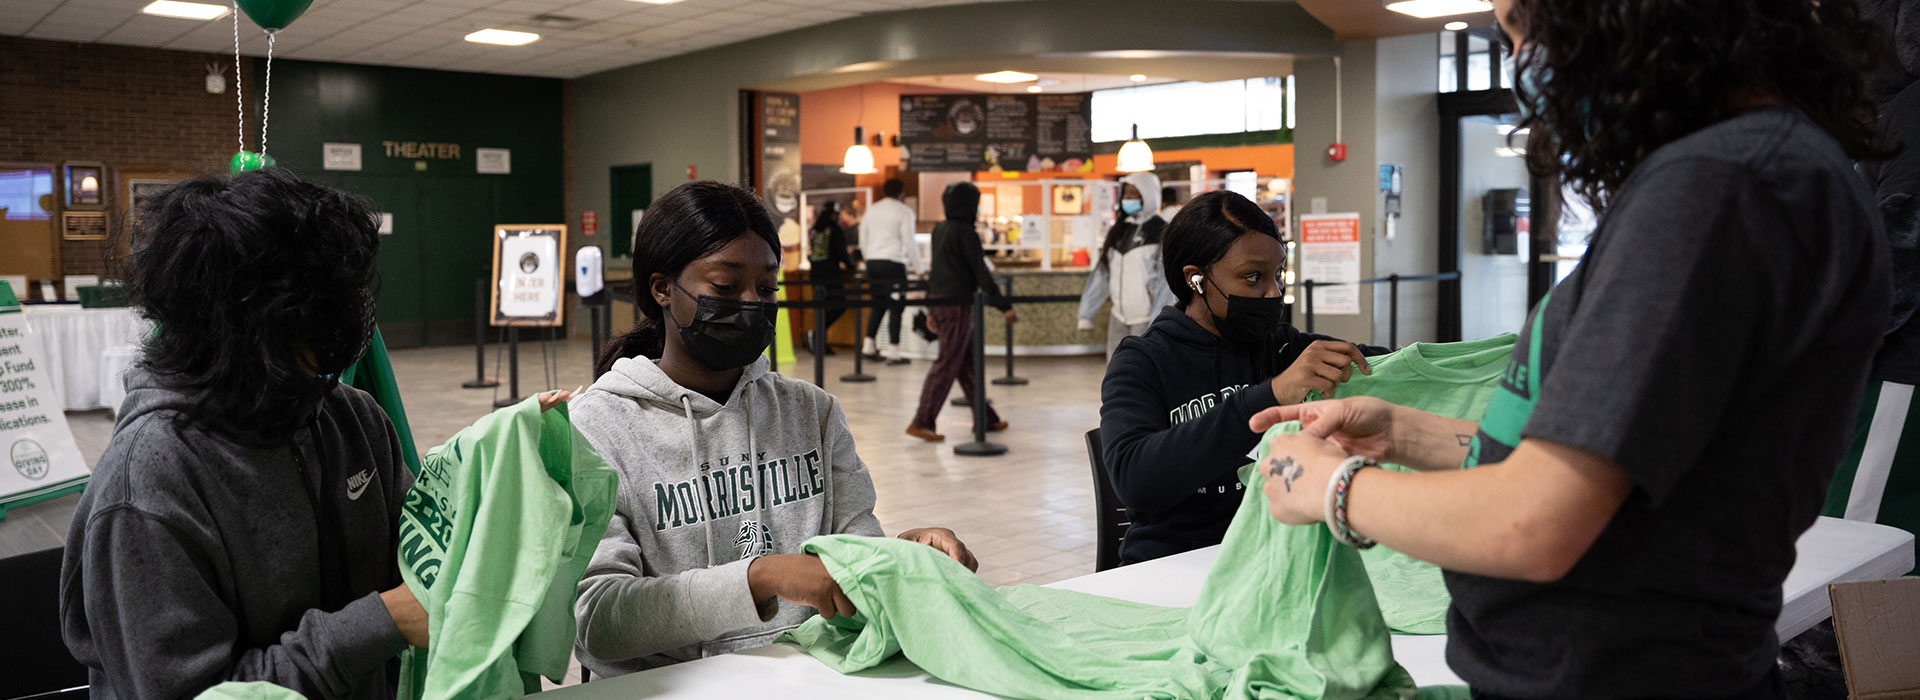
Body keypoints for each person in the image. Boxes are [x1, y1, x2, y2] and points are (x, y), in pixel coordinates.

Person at [1253, 1, 1891, 697]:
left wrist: (1328, 487)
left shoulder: (1719, 187)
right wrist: (1403, 431)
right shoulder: (1753, 172)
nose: (1518, 52)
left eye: (1519, 22)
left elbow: (1534, 522)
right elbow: (1619, 462)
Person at [572, 181, 977, 677]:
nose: (751, 304)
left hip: (810, 676)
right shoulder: (596, 429)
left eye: (767, 289)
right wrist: (760, 578)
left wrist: (902, 555)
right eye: (725, 287)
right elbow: (599, 620)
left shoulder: (813, 412)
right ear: (662, 289)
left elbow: (853, 553)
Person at [59, 169, 431, 699]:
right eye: (326, 301)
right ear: (261, 322)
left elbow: (425, 557)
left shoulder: (352, 418)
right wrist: (378, 626)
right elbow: (193, 693)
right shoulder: (148, 486)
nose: (350, 317)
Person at [1098, 189, 1387, 564]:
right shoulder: (1142, 361)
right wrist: (1272, 395)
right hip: (1171, 565)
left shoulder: (1284, 348)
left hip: (1271, 559)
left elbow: (1387, 366)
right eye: (1253, 277)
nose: (1274, 292)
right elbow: (1136, 480)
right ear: (1195, 279)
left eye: (1278, 275)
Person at [907, 182, 1015, 442]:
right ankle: (922, 421)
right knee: (947, 363)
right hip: (957, 305)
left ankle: (986, 418)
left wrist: (931, 309)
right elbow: (981, 272)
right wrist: (1004, 305)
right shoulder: (965, 232)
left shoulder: (939, 230)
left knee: (967, 365)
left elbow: (937, 272)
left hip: (943, 302)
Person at [1078, 171, 1178, 359]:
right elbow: (1103, 273)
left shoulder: (1162, 231)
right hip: (1118, 316)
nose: (1128, 198)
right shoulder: (1119, 230)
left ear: (1148, 194)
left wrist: (1159, 318)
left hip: (1147, 318)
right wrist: (1086, 311)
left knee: (1143, 370)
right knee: (1115, 368)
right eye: (1125, 193)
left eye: (1133, 193)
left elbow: (1166, 282)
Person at [859, 178, 922, 365]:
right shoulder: (904, 212)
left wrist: (868, 258)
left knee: (878, 304)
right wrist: (919, 269)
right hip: (893, 264)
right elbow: (909, 242)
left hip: (873, 263)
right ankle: (893, 352)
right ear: (901, 193)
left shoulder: (872, 210)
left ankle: (868, 347)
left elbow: (863, 238)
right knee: (896, 306)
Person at [804, 200, 854, 356]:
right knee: (840, 305)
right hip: (830, 274)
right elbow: (841, 253)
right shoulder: (835, 229)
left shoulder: (814, 230)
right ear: (834, 214)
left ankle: (820, 342)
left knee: (823, 308)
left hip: (815, 273)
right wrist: (852, 265)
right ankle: (816, 334)